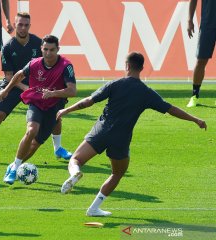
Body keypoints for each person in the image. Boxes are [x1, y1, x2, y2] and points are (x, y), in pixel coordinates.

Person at [57, 52, 207, 217]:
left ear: (126, 66)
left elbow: (88, 101)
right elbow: (170, 109)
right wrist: (195, 119)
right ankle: (94, 208)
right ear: (142, 68)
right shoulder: (146, 92)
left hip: (101, 131)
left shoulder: (114, 84)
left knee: (76, 160)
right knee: (117, 173)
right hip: (121, 138)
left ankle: (75, 173)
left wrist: (66, 110)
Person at [0, 13, 72, 165]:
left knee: (55, 113)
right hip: (14, 85)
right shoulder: (7, 47)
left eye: (26, 25)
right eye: (20, 24)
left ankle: (58, 148)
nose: (23, 28)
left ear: (29, 26)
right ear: (14, 25)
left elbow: (50, 64)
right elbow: (9, 76)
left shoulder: (39, 44)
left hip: (37, 86)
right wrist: (27, 88)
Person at [0, 35, 77, 185]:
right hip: (36, 103)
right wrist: (6, 90)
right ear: (41, 49)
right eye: (45, 49)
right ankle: (15, 168)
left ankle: (13, 165)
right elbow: (18, 75)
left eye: (52, 50)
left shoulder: (66, 66)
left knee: (35, 144)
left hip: (53, 108)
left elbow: (72, 91)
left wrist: (53, 93)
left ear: (58, 50)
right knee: (31, 130)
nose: (48, 53)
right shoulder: (34, 63)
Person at [186, 0, 216, 107]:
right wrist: (189, 20)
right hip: (207, 25)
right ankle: (194, 96)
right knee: (201, 60)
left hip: (207, 25)